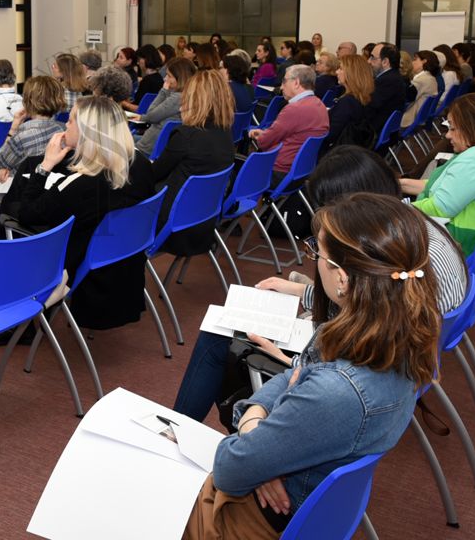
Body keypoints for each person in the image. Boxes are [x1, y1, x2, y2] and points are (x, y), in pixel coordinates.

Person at [180, 194, 441, 538]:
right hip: (308, 506)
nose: (313, 261)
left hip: (256, 522)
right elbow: (297, 370)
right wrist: (260, 431)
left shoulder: (337, 389)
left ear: (343, 279)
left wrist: (251, 426)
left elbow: (229, 468)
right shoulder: (398, 333)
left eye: (318, 254)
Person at [172, 147, 467, 424]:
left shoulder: (388, 256)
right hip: (397, 362)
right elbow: (375, 298)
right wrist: (305, 292)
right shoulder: (412, 232)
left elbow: (352, 342)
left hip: (358, 369)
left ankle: (176, 430)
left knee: (218, 336)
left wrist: (285, 359)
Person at [4, 96, 154, 330]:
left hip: (84, 272)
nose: (66, 125)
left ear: (87, 131)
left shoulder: (83, 185)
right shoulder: (142, 165)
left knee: (10, 214)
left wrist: (45, 165)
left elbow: (27, 214)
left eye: (72, 120)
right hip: (123, 263)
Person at [400, 92, 475, 255]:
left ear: (473, 129)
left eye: (453, 129)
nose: (448, 135)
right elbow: (444, 187)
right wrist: (401, 184)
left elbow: (439, 209)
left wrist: (395, 209)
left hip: (451, 242)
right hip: (467, 233)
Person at [150, 69, 235, 249]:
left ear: (194, 99)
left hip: (170, 227)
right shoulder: (226, 134)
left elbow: (153, 174)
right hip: (203, 223)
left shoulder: (185, 136)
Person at [248, 64, 329, 175]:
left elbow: (263, 142)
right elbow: (294, 136)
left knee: (237, 168)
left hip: (278, 170)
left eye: (284, 81)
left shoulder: (294, 109)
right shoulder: (320, 105)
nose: (281, 87)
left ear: (296, 83)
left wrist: (263, 136)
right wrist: (266, 134)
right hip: (301, 171)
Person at [0, 76, 66, 185]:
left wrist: (13, 129)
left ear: (27, 100)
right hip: (51, 188)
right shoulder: (63, 130)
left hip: (21, 190)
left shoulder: (23, 136)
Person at [136, 57, 195, 157]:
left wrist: (163, 91)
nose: (165, 79)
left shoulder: (177, 98)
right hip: (157, 144)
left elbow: (150, 116)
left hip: (148, 148)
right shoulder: (188, 95)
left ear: (180, 78)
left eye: (169, 76)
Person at [322, 54, 373, 154]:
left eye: (341, 69)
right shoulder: (362, 97)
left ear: (351, 73)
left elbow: (330, 135)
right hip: (353, 152)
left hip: (335, 155)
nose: (336, 72)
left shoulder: (347, 102)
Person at [365, 42, 407, 136]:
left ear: (385, 62)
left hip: (373, 133)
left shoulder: (387, 81)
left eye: (372, 57)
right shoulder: (393, 77)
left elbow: (368, 109)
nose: (368, 61)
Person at [402, 50, 440, 128]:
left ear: (424, 61)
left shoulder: (422, 80)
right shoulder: (430, 78)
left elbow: (406, 101)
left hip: (408, 119)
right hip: (420, 118)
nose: (412, 62)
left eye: (415, 59)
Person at [121, 45, 164, 111]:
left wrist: (123, 103)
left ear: (146, 59)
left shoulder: (147, 81)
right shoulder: (160, 78)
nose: (138, 63)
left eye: (139, 59)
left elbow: (139, 107)